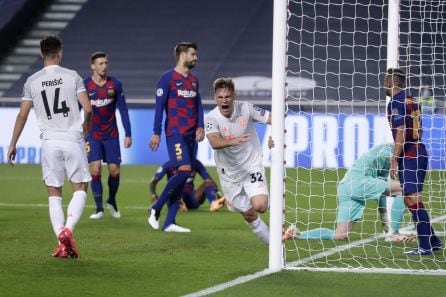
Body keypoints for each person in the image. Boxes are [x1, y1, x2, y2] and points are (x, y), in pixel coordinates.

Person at [6, 35, 92, 258]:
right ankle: (68, 231)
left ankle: (61, 243)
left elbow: (22, 115)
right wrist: (86, 130)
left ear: (41, 53)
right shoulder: (73, 76)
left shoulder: (32, 81)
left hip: (49, 142)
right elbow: (88, 109)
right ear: (60, 53)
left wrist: (13, 143)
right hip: (72, 138)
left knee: (54, 194)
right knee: (81, 188)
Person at [283, 143, 415, 243]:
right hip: (358, 182)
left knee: (340, 235)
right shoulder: (388, 150)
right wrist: (392, 232)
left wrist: (387, 228)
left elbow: (382, 197)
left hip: (346, 187)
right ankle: (395, 233)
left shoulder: (386, 159)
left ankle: (296, 234)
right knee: (405, 188)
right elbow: (389, 187)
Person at [205, 77, 272, 244]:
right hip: (229, 174)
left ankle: (275, 210)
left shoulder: (246, 108)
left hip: (251, 166)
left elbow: (274, 118)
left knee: (260, 206)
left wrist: (274, 136)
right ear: (215, 98)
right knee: (249, 214)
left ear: (234, 96)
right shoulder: (211, 118)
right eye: (220, 98)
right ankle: (276, 246)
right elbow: (214, 141)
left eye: (227, 97)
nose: (224, 101)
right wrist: (231, 141)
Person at [148, 42, 204, 233]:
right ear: (182, 55)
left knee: (184, 175)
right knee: (184, 170)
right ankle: (155, 208)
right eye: (193, 54)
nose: (196, 58)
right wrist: (156, 132)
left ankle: (169, 222)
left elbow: (199, 106)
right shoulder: (167, 79)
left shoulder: (194, 80)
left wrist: (200, 126)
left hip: (191, 135)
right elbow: (159, 107)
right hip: (175, 132)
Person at [385, 68, 442, 255]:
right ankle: (433, 241)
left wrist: (394, 159)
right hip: (419, 150)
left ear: (389, 83)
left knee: (412, 199)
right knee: (412, 200)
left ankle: (425, 247)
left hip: (410, 154)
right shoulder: (411, 100)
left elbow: (400, 130)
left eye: (385, 81)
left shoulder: (395, 101)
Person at [84, 52, 132, 220]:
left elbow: (124, 110)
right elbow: (76, 110)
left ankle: (111, 200)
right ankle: (99, 209)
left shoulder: (115, 84)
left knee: (114, 171)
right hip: (92, 135)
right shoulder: (85, 85)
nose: (104, 66)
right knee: (95, 169)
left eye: (106, 63)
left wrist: (128, 133)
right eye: (100, 63)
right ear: (93, 66)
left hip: (111, 135)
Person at [149, 159, 226, 212]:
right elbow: (154, 179)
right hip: (175, 196)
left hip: (191, 197)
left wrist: (218, 194)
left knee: (207, 183)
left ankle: (213, 204)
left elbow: (209, 179)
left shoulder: (195, 163)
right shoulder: (170, 164)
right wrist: (154, 194)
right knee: (176, 187)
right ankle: (179, 204)